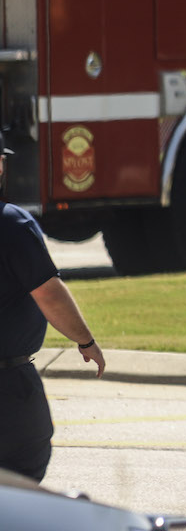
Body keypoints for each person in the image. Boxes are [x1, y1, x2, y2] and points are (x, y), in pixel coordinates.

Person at [0, 132, 105, 482]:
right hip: (7, 389)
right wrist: (86, 340)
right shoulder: (11, 224)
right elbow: (48, 294)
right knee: (23, 480)